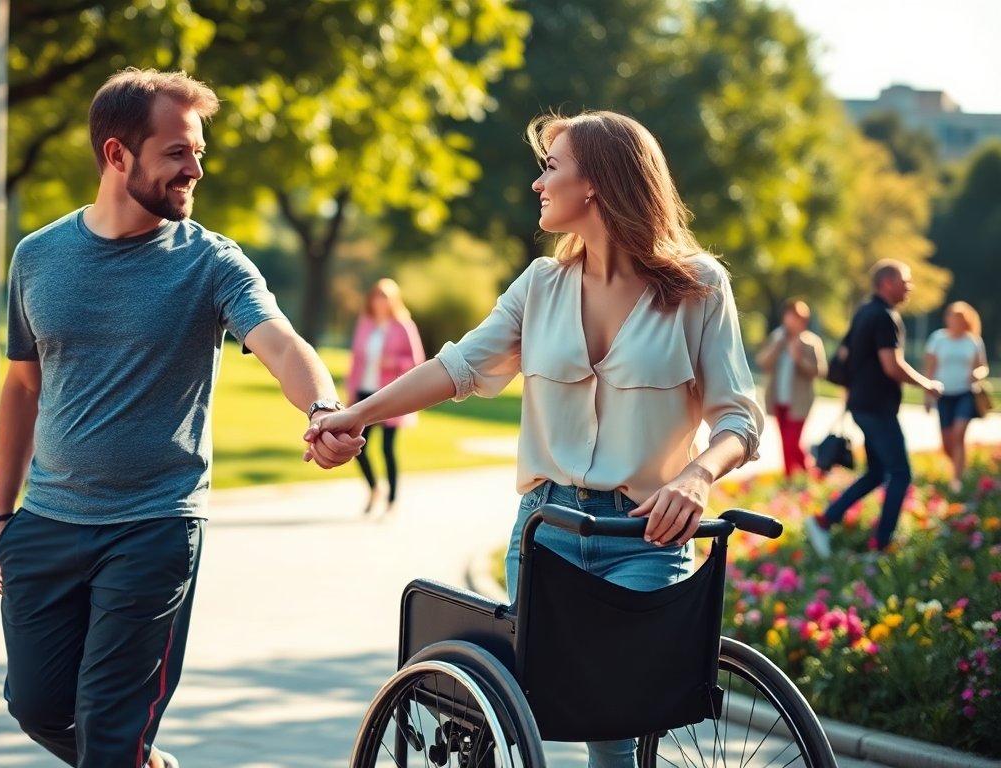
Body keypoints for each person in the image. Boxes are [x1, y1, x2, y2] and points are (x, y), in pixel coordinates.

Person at [306, 110, 762, 768]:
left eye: (551, 168)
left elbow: (738, 419)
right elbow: (456, 367)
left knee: (614, 723)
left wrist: (696, 477)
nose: (536, 183)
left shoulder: (697, 289)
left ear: (596, 185)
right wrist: (356, 415)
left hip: (645, 537)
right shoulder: (541, 286)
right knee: (538, 715)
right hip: (545, 533)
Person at [0, 68, 362, 768]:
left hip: (153, 526)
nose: (195, 170)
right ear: (117, 154)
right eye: (177, 153)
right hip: (48, 521)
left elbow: (280, 342)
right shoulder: (36, 258)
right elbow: (22, 389)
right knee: (34, 705)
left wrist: (323, 406)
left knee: (109, 725)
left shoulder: (211, 263)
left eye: (199, 153)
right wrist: (3, 517)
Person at [805, 260, 943, 558]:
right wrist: (927, 384)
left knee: (878, 472)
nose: (910, 286)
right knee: (901, 473)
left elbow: (846, 357)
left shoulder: (865, 312)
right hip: (877, 407)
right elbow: (891, 366)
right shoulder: (883, 316)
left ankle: (824, 520)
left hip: (863, 404)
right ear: (887, 283)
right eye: (905, 280)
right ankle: (882, 545)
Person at [346, 278, 425, 513]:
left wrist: (392, 362)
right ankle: (373, 487)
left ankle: (392, 499)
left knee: (387, 449)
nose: (380, 302)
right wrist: (350, 393)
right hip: (364, 393)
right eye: (376, 296)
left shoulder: (403, 325)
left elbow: (416, 362)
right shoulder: (365, 324)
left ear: (393, 301)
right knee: (357, 447)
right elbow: (356, 361)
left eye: (385, 297)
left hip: (390, 395)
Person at [755, 299, 826, 479]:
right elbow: (763, 362)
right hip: (778, 399)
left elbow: (819, 371)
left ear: (804, 320)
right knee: (785, 443)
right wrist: (778, 347)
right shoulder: (777, 337)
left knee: (791, 442)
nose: (791, 320)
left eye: (796, 317)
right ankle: (791, 478)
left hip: (799, 402)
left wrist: (798, 358)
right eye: (789, 316)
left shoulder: (810, 342)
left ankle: (809, 473)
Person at [923, 301, 988, 493]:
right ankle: (961, 466)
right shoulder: (937, 339)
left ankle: (957, 480)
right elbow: (929, 368)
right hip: (943, 393)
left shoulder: (973, 341)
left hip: (965, 392)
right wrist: (927, 396)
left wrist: (978, 374)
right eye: (952, 317)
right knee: (947, 442)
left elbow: (982, 366)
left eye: (959, 318)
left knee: (959, 434)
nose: (955, 321)